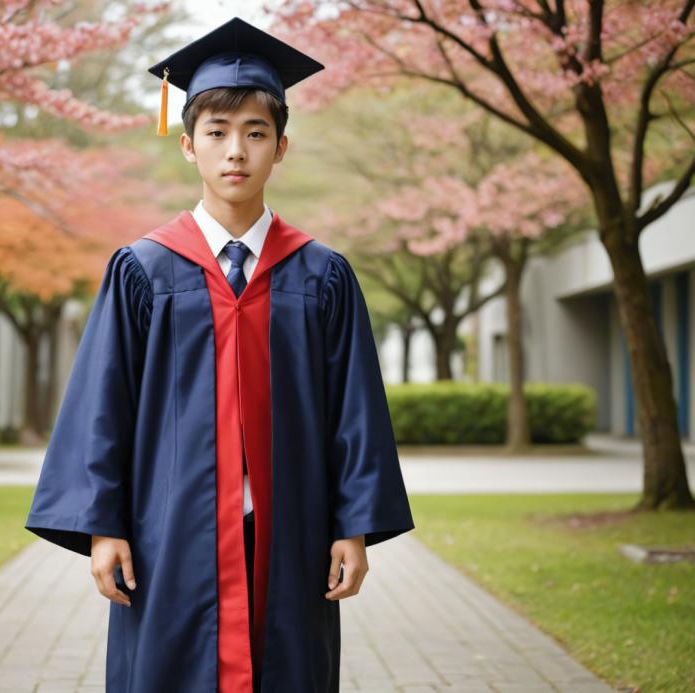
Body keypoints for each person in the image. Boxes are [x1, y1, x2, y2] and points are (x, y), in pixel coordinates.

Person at [24, 16, 415, 693]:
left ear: (281, 146)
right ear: (187, 145)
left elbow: (354, 410)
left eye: (256, 133)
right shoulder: (143, 271)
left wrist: (354, 527)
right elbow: (103, 407)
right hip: (168, 535)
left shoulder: (321, 276)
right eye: (218, 133)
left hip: (288, 536)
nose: (237, 151)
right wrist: (103, 527)